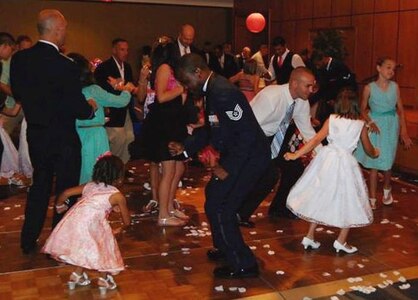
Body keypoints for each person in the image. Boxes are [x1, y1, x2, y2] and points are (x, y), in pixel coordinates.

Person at [171, 53, 270, 279]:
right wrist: (186, 149)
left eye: (186, 81)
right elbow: (212, 127)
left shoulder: (223, 92)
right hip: (239, 154)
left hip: (249, 158)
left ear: (198, 72)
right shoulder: (212, 89)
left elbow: (245, 136)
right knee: (214, 195)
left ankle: (244, 264)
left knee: (223, 206)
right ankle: (225, 247)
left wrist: (229, 169)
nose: (186, 87)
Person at [10, 9, 97, 254]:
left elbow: (18, 94)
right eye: (65, 29)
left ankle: (28, 240)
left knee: (39, 185)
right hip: (63, 138)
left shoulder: (20, 60)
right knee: (66, 190)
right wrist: (90, 109)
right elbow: (77, 106)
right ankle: (59, 242)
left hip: (36, 135)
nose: (65, 33)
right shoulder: (65, 65)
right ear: (58, 29)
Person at [286, 88, 379, 253]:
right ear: (356, 105)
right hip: (346, 164)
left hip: (326, 160)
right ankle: (341, 241)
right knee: (348, 199)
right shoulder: (360, 124)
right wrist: (375, 152)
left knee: (320, 194)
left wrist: (296, 154)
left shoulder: (332, 119)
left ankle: (310, 235)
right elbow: (368, 149)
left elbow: (315, 139)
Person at [237, 67, 321, 226]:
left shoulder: (301, 101)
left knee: (294, 168)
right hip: (256, 136)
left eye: (313, 86)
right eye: (308, 86)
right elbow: (248, 124)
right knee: (269, 175)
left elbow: (307, 131)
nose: (311, 90)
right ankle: (240, 213)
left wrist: (325, 155)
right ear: (295, 84)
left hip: (278, 137)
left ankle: (279, 208)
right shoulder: (272, 97)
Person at [42, 153, 130, 291]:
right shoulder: (117, 196)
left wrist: (60, 206)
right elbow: (127, 220)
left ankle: (76, 275)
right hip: (92, 224)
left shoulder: (90, 185)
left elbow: (65, 193)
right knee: (104, 248)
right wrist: (121, 228)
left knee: (85, 248)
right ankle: (104, 279)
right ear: (119, 177)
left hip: (74, 220)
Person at [141, 42, 190, 226]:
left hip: (174, 122)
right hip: (163, 125)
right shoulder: (164, 68)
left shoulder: (173, 70)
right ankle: (163, 214)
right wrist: (180, 89)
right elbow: (161, 97)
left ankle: (169, 207)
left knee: (178, 168)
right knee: (168, 170)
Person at [355, 57, 412, 209]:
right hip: (375, 125)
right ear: (378, 68)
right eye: (388, 67)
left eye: (393, 69)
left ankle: (387, 189)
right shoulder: (369, 88)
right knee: (374, 162)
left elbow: (400, 109)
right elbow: (362, 109)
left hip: (391, 125)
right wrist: (370, 122)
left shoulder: (395, 87)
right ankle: (372, 199)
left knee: (387, 162)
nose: (391, 71)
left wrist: (404, 131)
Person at [68, 52, 134, 184]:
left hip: (75, 133)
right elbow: (120, 101)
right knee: (96, 170)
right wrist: (126, 90)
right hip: (95, 135)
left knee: (80, 168)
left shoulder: (68, 90)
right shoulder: (93, 90)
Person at [94, 38, 134, 165]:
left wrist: (124, 87)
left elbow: (131, 86)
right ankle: (111, 167)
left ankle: (122, 166)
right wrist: (120, 88)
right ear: (114, 50)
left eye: (127, 50)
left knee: (129, 138)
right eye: (122, 50)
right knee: (118, 139)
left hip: (125, 108)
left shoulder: (127, 67)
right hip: (112, 109)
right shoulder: (104, 68)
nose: (125, 53)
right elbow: (102, 90)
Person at [311, 50, 357, 126]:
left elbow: (348, 86)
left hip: (340, 104)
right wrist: (309, 101)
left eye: (318, 64)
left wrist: (337, 101)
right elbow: (322, 88)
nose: (317, 67)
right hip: (327, 103)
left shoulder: (340, 66)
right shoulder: (320, 69)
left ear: (323, 59)